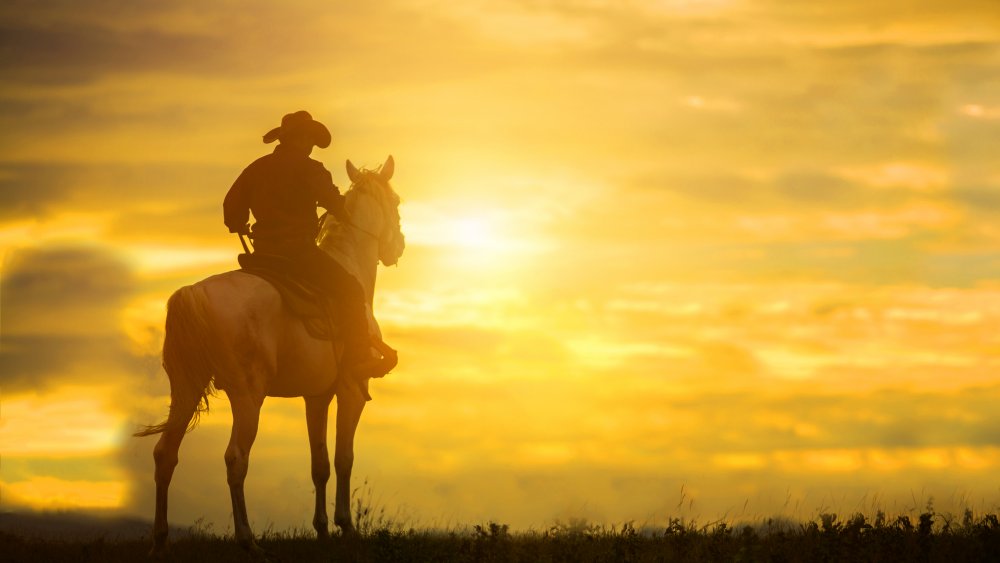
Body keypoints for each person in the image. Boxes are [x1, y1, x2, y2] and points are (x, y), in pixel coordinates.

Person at [223, 110, 394, 380]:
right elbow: (331, 200)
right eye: (310, 139)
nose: (312, 146)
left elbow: (231, 208)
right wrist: (343, 210)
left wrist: (239, 224)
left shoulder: (255, 168)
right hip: (299, 254)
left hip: (262, 255)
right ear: (301, 139)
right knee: (351, 289)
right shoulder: (310, 168)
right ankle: (358, 357)